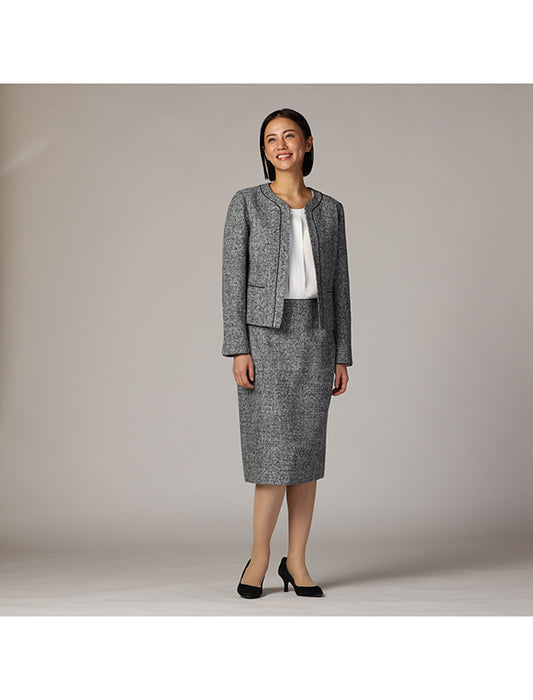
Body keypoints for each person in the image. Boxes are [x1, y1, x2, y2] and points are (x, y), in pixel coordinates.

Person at [221, 107, 353, 599]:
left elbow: (340, 286)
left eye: (290, 136)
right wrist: (238, 346)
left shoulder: (331, 210)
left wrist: (342, 353)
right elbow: (232, 280)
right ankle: (259, 557)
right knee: (272, 458)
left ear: (307, 143)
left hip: (317, 337)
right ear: (264, 150)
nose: (281, 145)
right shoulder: (246, 204)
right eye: (271, 139)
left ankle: (296, 561)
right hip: (265, 339)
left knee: (305, 455)